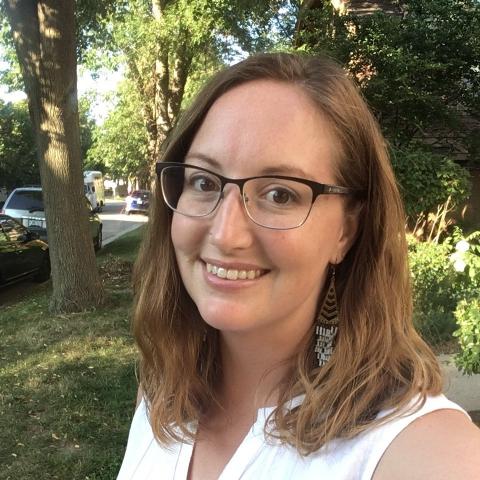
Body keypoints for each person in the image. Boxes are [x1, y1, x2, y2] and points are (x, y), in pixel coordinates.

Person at [117, 53, 480, 479]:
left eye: (281, 194)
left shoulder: (418, 449)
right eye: (204, 181)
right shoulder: (164, 393)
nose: (225, 234)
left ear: (346, 231)